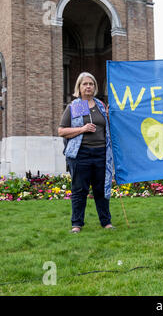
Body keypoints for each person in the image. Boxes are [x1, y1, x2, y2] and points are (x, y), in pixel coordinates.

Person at [58, 72, 115, 233]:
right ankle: (77, 224)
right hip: (81, 153)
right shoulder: (76, 106)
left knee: (101, 189)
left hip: (101, 153)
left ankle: (106, 222)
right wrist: (82, 129)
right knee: (79, 190)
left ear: (95, 87)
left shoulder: (101, 106)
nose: (88, 86)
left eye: (91, 84)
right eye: (85, 84)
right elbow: (61, 131)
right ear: (79, 87)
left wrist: (110, 118)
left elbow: (109, 128)